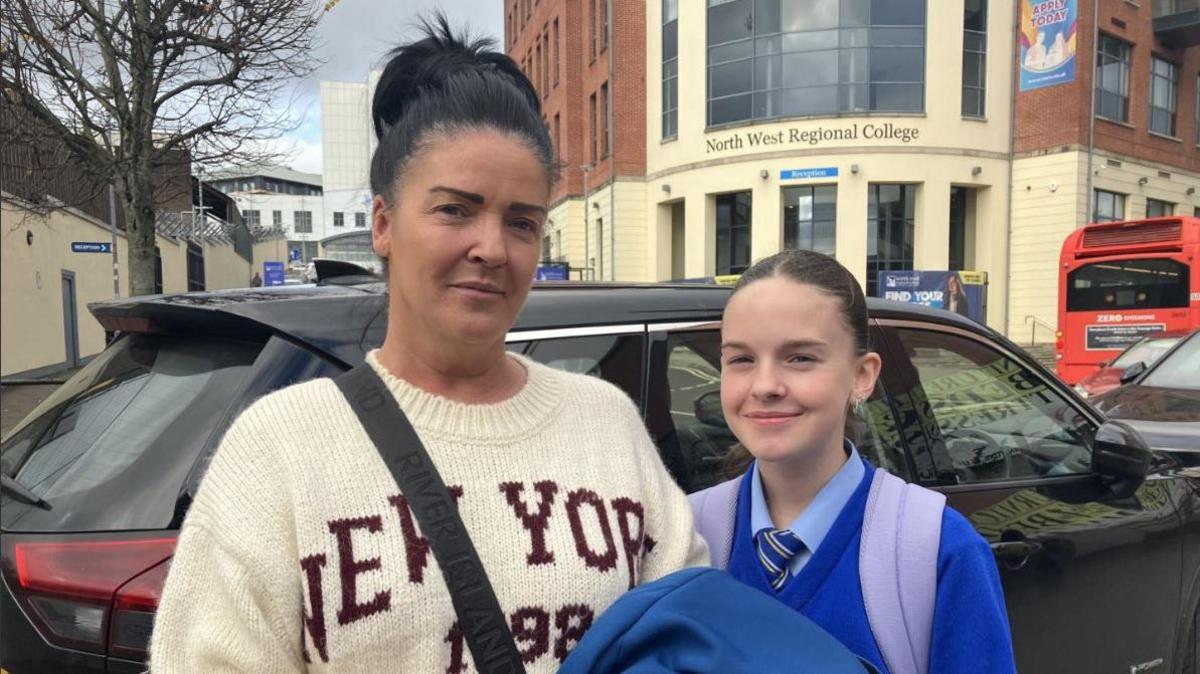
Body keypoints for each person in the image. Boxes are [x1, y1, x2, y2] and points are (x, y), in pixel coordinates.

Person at [149, 17, 706, 672]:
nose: (492, 248)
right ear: (384, 223)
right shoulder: (278, 449)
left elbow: (687, 638)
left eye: (521, 221)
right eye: (455, 210)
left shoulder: (607, 423)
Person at [689, 250, 1014, 674]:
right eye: (741, 359)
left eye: (800, 357)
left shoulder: (938, 550)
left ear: (862, 375)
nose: (764, 385)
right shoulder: (685, 538)